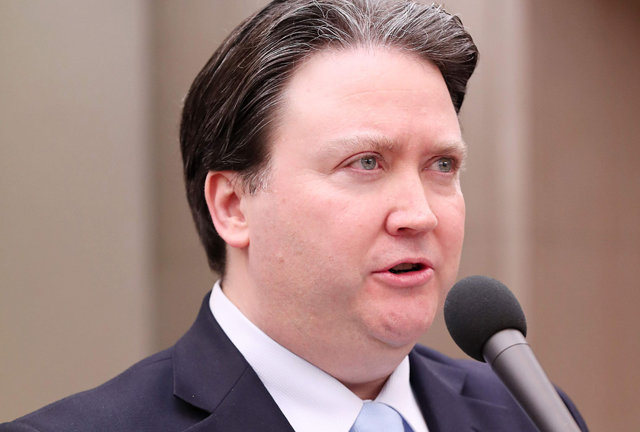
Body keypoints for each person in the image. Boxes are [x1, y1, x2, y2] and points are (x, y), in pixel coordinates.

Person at [1, 1, 589, 431]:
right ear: (233, 206)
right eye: (365, 163)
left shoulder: (530, 415)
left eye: (441, 165)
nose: (418, 214)